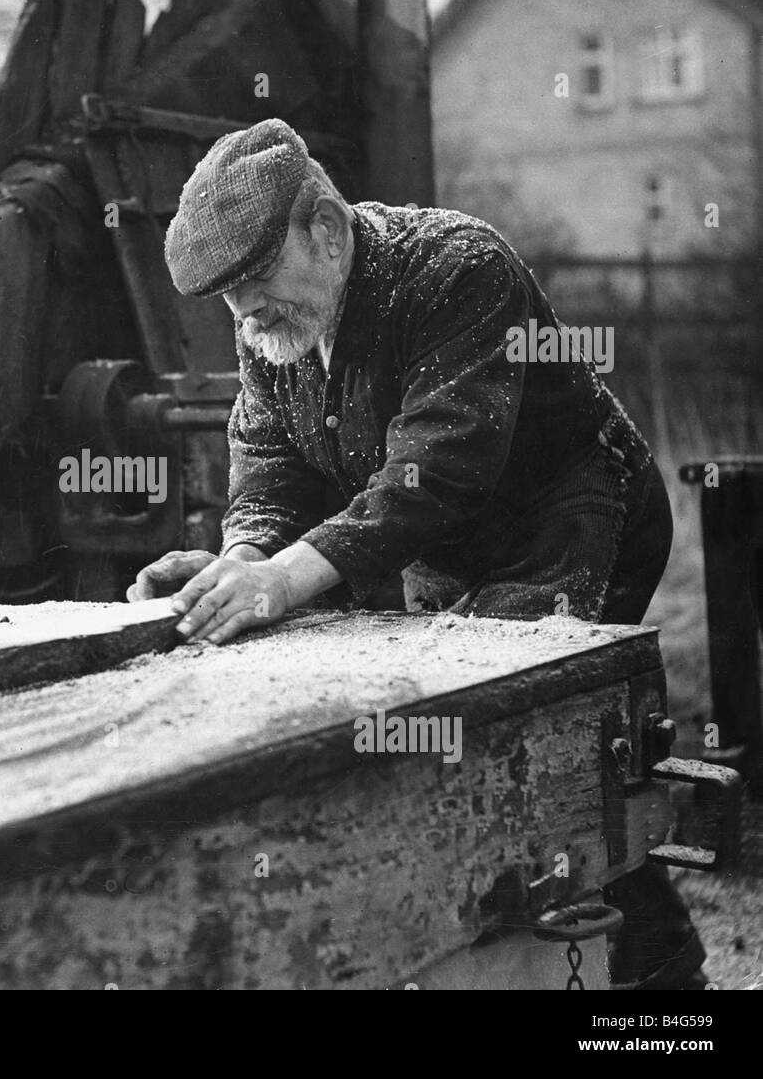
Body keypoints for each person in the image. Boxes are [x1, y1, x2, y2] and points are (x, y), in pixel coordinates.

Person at [127, 118, 704, 989]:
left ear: (324, 228)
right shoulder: (276, 331)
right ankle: (497, 943)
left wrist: (283, 580)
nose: (243, 314)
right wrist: (237, 564)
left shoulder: (457, 268)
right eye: (227, 297)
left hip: (575, 520)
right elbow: (272, 468)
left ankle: (665, 997)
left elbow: (433, 472)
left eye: (253, 280)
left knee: (559, 744)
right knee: (458, 735)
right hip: (442, 540)